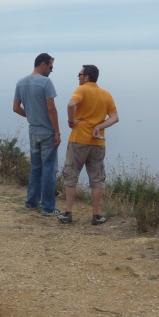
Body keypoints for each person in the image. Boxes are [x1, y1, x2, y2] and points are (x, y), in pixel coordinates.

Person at [59, 65, 119, 225]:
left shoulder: (82, 90)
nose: (78, 77)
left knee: (71, 175)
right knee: (97, 178)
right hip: (98, 141)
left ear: (86, 77)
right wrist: (99, 126)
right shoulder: (106, 94)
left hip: (78, 139)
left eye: (79, 74)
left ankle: (68, 213)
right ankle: (96, 215)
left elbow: (71, 105)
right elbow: (114, 117)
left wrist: (71, 121)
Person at [13, 53, 61, 216]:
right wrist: (57, 132)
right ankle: (47, 207)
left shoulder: (21, 82)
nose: (51, 71)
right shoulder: (46, 82)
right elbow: (51, 109)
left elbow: (16, 107)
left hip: (33, 131)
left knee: (35, 168)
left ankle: (31, 202)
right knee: (49, 169)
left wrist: (31, 115)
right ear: (43, 64)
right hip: (47, 132)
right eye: (50, 67)